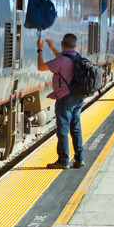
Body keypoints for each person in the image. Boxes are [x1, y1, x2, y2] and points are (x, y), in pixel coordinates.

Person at [37, 33, 85, 169]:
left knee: (63, 129)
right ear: (75, 46)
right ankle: (79, 159)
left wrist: (40, 49)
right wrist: (52, 48)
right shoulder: (77, 57)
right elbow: (63, 57)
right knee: (76, 128)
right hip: (78, 97)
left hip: (65, 98)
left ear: (62, 44)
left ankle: (63, 160)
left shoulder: (61, 61)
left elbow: (41, 67)